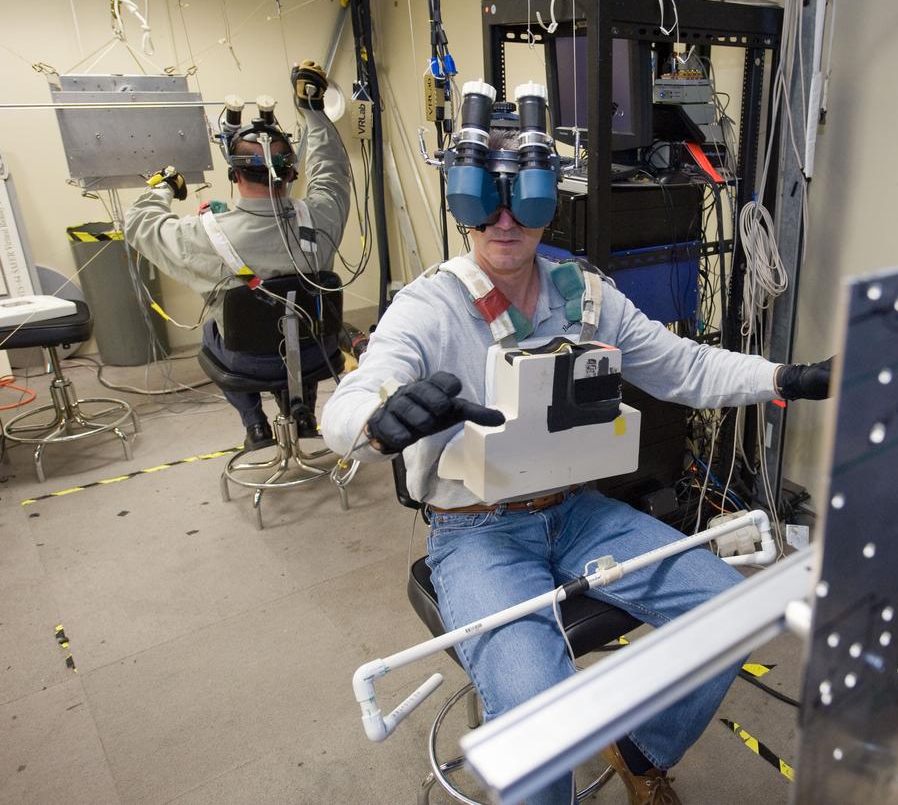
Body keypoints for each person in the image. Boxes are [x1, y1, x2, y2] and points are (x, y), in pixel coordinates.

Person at [321, 130, 830, 805]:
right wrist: (376, 423)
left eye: (524, 201)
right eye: (483, 200)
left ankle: (640, 751)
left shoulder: (582, 294)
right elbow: (350, 402)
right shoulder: (429, 306)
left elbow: (684, 365)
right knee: (542, 714)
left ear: (548, 204)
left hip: (574, 512)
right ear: (460, 201)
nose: (504, 221)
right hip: (476, 534)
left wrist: (785, 377)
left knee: (728, 611)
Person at [124, 61, 351, 450]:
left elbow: (140, 224)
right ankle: (304, 411)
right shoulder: (321, 216)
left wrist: (164, 187)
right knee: (303, 318)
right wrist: (312, 111)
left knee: (216, 325)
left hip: (249, 364)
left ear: (234, 176)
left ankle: (255, 423)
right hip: (318, 353)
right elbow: (332, 170)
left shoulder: (203, 235)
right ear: (292, 173)